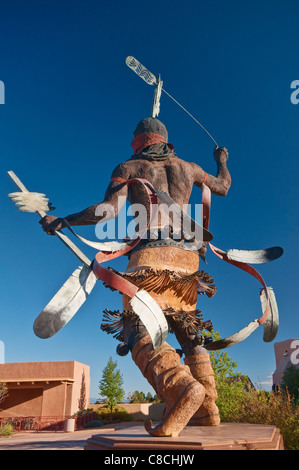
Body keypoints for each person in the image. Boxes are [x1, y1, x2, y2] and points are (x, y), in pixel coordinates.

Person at [40, 117, 231, 437]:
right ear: (164, 141)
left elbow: (107, 211)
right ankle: (207, 408)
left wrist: (63, 221)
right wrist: (221, 161)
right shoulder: (190, 167)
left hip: (152, 256)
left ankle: (181, 390)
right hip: (188, 262)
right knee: (188, 329)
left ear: (139, 140)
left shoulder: (129, 167)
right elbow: (223, 187)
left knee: (136, 329)